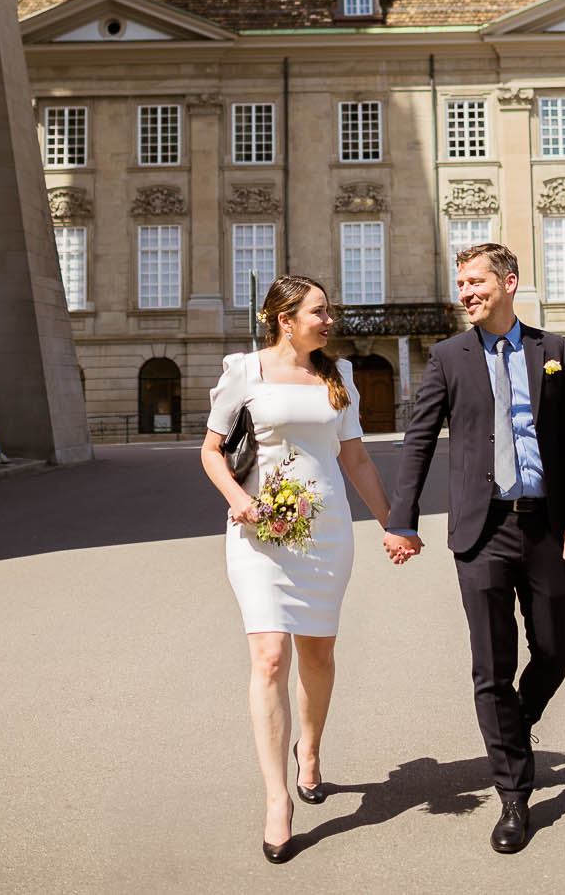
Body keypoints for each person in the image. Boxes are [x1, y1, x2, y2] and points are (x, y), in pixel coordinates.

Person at [384, 242, 565, 855]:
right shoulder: (448, 357)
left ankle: (510, 732)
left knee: (557, 648)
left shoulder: (550, 352)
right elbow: (419, 440)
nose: (466, 292)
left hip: (546, 528)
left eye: (476, 282)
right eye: (461, 284)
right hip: (481, 529)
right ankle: (513, 795)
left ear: (509, 282)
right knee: (492, 666)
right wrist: (402, 519)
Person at [199, 276, 397, 864]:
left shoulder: (339, 378)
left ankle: (309, 750)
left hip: (326, 532)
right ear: (285, 319)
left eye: (329, 310)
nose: (329, 320)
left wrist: (391, 522)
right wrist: (238, 500)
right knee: (269, 656)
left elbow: (355, 457)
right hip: (258, 534)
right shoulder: (244, 372)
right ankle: (276, 798)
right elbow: (211, 451)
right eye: (319, 311)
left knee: (317, 655)